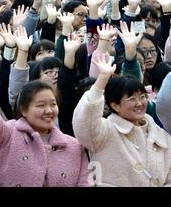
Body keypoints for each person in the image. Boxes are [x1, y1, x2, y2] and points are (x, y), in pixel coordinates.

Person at [0, 42, 89, 187]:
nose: (49, 110)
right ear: (23, 110)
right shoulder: (6, 135)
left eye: (53, 104)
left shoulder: (74, 146)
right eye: (41, 105)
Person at [73, 53, 171, 186]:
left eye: (142, 97)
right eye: (132, 99)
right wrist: (102, 79)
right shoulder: (103, 131)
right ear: (115, 105)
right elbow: (84, 122)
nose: (140, 103)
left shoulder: (161, 136)